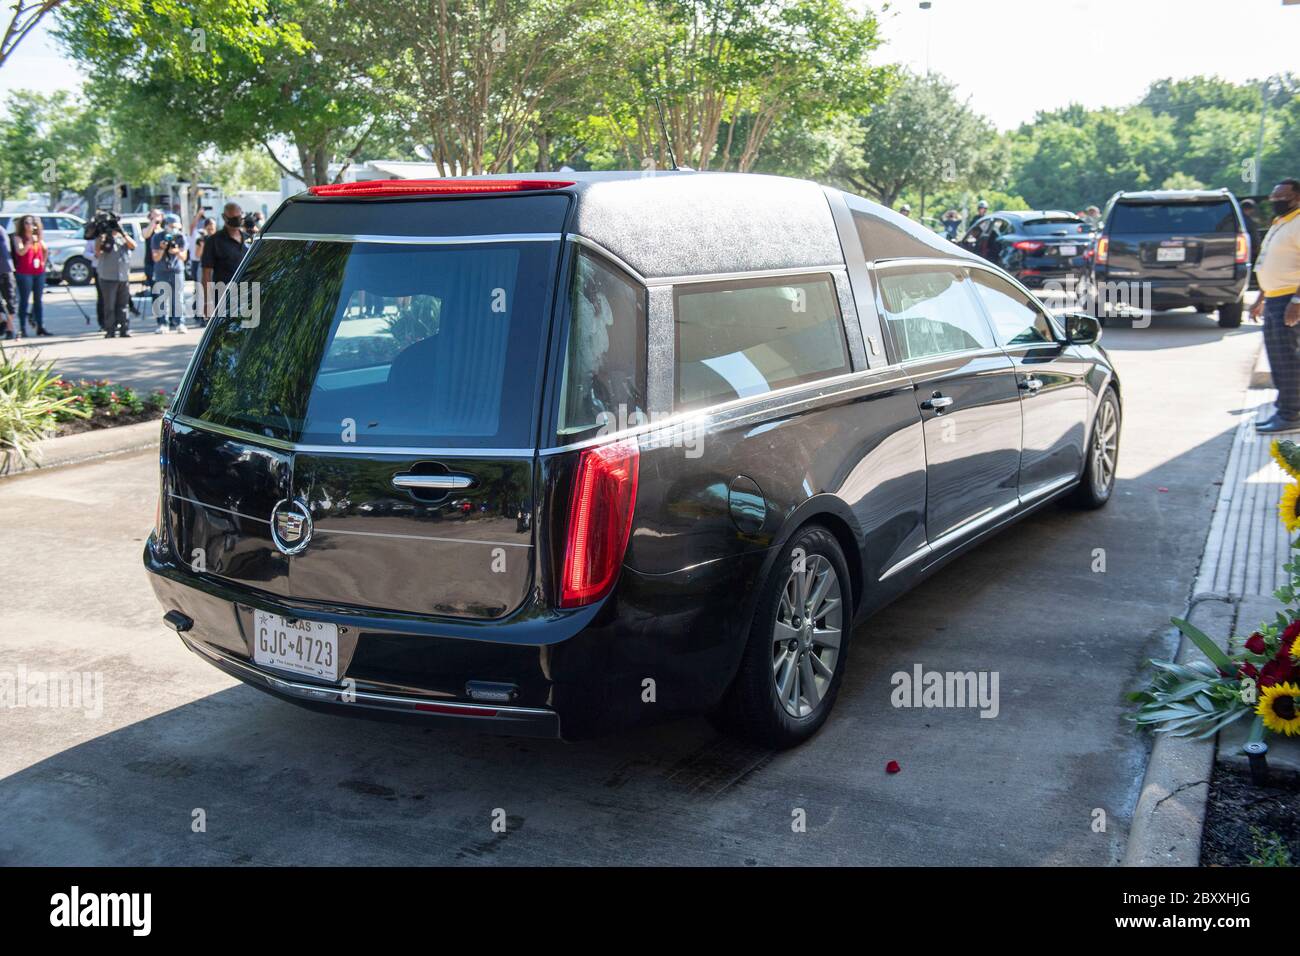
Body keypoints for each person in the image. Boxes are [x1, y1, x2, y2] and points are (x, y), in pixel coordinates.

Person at [1250, 179, 1300, 433]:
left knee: (1288, 360)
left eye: (1281, 196)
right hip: (1274, 299)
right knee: (1278, 359)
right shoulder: (1281, 223)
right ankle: (1285, 408)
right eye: (1273, 196)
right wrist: (1260, 298)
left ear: (1296, 198)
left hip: (1289, 300)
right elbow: (1268, 262)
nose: (1275, 201)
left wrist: (1297, 302)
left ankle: (1292, 415)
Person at [201, 202, 251, 321]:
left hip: (249, 294)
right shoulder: (213, 241)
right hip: (224, 297)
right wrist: (207, 302)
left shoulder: (249, 238)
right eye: (233, 218)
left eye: (239, 217)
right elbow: (206, 274)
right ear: (224, 217)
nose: (237, 220)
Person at [96, 219, 137, 338]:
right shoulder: (103, 238)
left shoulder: (122, 238)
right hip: (107, 277)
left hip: (123, 276)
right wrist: (103, 235)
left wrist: (122, 233)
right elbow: (97, 251)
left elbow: (133, 245)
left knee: (123, 305)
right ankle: (110, 330)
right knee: (109, 306)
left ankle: (125, 329)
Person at [11, 215, 50, 337]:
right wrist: (29, 242)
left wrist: (43, 261)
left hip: (38, 272)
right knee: (24, 301)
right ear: (23, 225)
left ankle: (40, 326)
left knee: (38, 301)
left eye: (32, 223)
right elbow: (20, 251)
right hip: (24, 272)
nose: (30, 226)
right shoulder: (19, 238)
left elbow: (45, 250)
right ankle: (22, 328)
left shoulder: (38, 238)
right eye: (27, 223)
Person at [150, 212, 188, 333]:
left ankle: (180, 323)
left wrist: (176, 251)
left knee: (178, 297)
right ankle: (163, 324)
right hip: (161, 271)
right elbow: (155, 258)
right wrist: (162, 248)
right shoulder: (157, 237)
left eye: (176, 226)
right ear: (166, 225)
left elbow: (184, 257)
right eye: (172, 226)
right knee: (162, 298)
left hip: (177, 270)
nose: (174, 229)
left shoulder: (181, 237)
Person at [0, 219, 15, 339]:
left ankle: (10, 328)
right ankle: (3, 323)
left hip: (5, 270)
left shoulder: (1, 231)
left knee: (9, 300)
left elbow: (4, 251)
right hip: (5, 269)